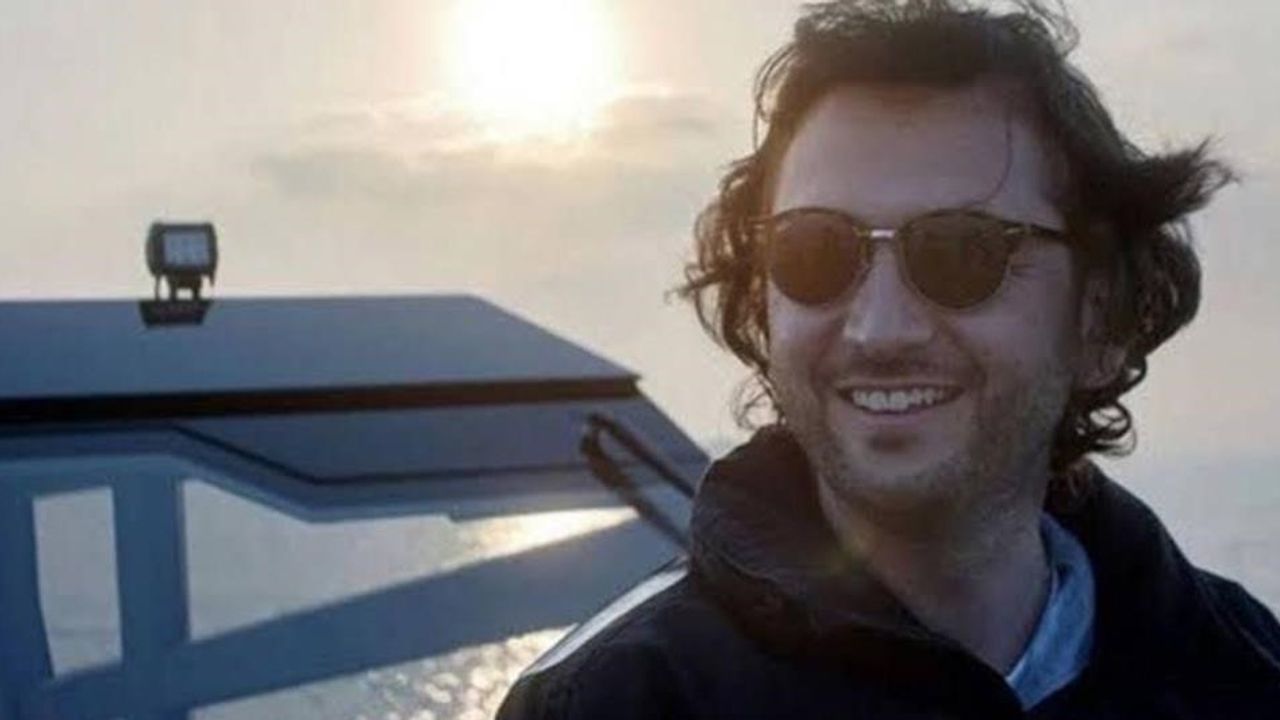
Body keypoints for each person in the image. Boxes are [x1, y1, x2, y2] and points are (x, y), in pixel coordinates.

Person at [498, 1, 1280, 716]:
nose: (879, 329)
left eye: (962, 252)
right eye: (815, 252)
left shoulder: (1242, 672)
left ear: (1099, 315)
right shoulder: (618, 701)